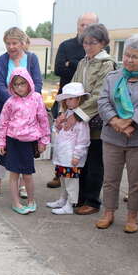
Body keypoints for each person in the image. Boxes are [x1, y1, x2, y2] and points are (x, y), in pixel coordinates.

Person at [96, 34, 138, 233]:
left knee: (136, 181)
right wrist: (116, 121)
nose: (129, 60)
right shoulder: (113, 77)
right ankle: (108, 212)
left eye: (135, 56)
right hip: (113, 136)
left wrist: (132, 122)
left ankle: (132, 216)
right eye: (126, 55)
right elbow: (102, 102)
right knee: (110, 178)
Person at [0, 27, 43, 200]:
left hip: (27, 118)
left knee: (23, 152)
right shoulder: (1, 60)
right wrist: (15, 103)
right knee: (0, 149)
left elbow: (37, 85)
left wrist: (27, 104)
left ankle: (22, 186)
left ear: (22, 43)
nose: (11, 47)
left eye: (14, 43)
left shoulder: (32, 59)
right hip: (6, 112)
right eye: (8, 43)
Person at [69, 24, 117, 215]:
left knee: (95, 162)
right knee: (81, 160)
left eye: (93, 43)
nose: (88, 47)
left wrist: (78, 113)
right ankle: (79, 197)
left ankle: (92, 200)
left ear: (103, 43)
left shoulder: (107, 64)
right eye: (85, 43)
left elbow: (100, 95)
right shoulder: (83, 62)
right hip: (80, 121)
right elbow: (74, 86)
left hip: (96, 122)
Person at [47, 13, 98, 189]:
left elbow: (70, 68)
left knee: (79, 142)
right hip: (64, 100)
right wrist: (71, 64)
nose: (85, 28)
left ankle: (76, 181)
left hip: (84, 106)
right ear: (77, 26)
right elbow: (59, 69)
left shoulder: (97, 54)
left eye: (89, 25)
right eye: (82, 24)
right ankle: (58, 174)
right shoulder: (66, 45)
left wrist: (72, 63)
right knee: (61, 136)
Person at [0, 68, 50, 214]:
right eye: (16, 85)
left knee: (27, 174)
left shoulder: (37, 98)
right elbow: (3, 123)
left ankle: (31, 200)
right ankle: (16, 203)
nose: (19, 87)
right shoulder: (10, 102)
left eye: (22, 83)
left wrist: (44, 140)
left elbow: (43, 119)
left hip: (29, 142)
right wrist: (1, 142)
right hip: (12, 141)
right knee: (13, 174)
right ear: (11, 86)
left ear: (29, 83)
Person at [46, 82, 91, 215]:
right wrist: (58, 124)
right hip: (63, 156)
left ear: (79, 99)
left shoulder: (80, 119)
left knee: (71, 182)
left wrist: (77, 156)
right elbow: (58, 131)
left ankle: (70, 204)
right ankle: (63, 199)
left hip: (71, 157)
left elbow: (83, 139)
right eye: (67, 99)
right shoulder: (67, 113)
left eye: (71, 98)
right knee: (64, 180)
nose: (68, 101)